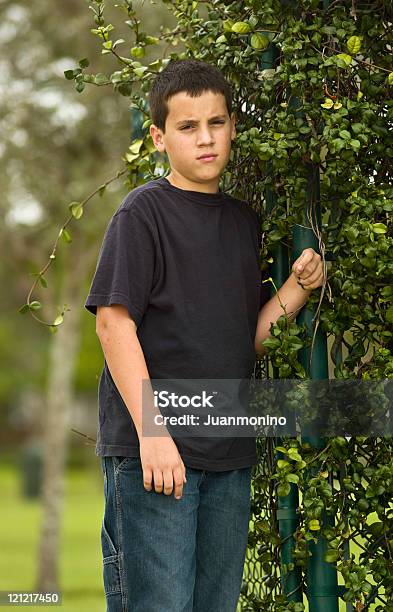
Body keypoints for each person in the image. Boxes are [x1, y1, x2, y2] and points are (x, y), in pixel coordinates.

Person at [84, 58, 324, 612]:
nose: (206, 139)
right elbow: (112, 323)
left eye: (216, 123)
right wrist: (153, 434)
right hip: (156, 454)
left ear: (232, 127)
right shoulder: (142, 214)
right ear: (159, 137)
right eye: (188, 127)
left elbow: (249, 339)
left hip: (227, 453)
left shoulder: (242, 222)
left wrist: (297, 288)